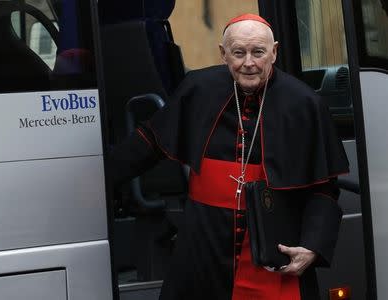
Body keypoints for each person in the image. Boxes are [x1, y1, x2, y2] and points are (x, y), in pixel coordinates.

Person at [109, 13, 349, 300]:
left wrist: (312, 245)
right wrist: (98, 181)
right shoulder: (198, 89)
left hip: (271, 245)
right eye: (238, 52)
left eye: (258, 52)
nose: (249, 63)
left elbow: (323, 188)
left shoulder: (305, 103)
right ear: (223, 54)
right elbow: (150, 142)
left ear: (274, 52)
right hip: (203, 244)